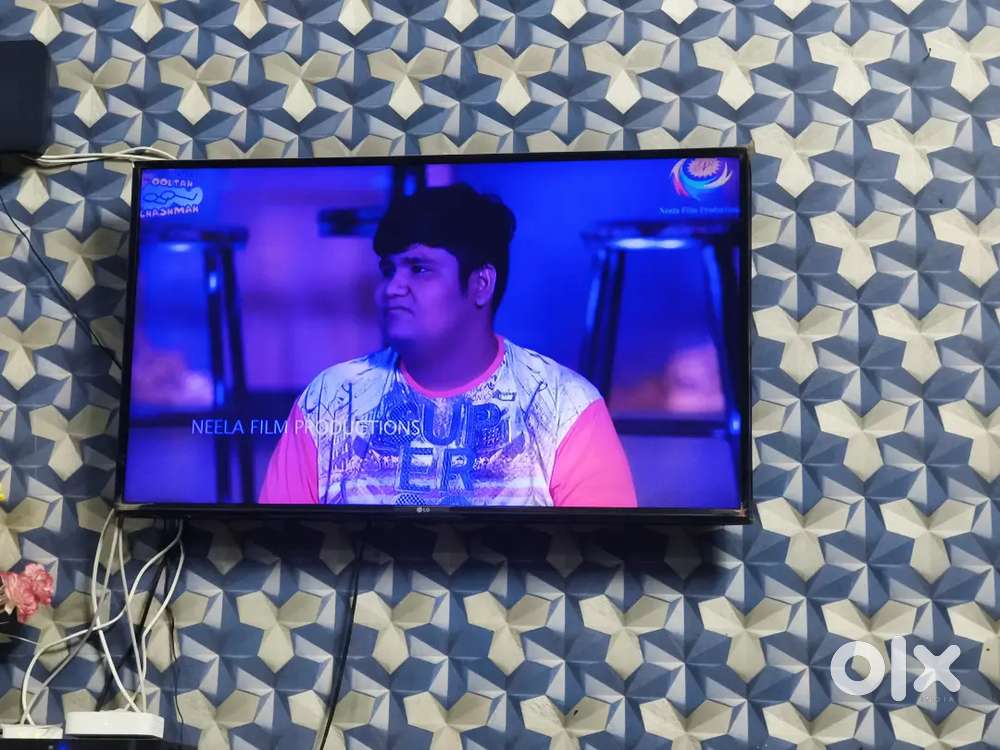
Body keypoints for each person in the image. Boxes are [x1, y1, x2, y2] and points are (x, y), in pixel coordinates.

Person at [259, 183, 636, 507]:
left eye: (419, 269)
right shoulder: (330, 397)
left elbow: (602, 558)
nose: (392, 288)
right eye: (388, 270)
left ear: (481, 284)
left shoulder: (564, 405)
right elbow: (278, 549)